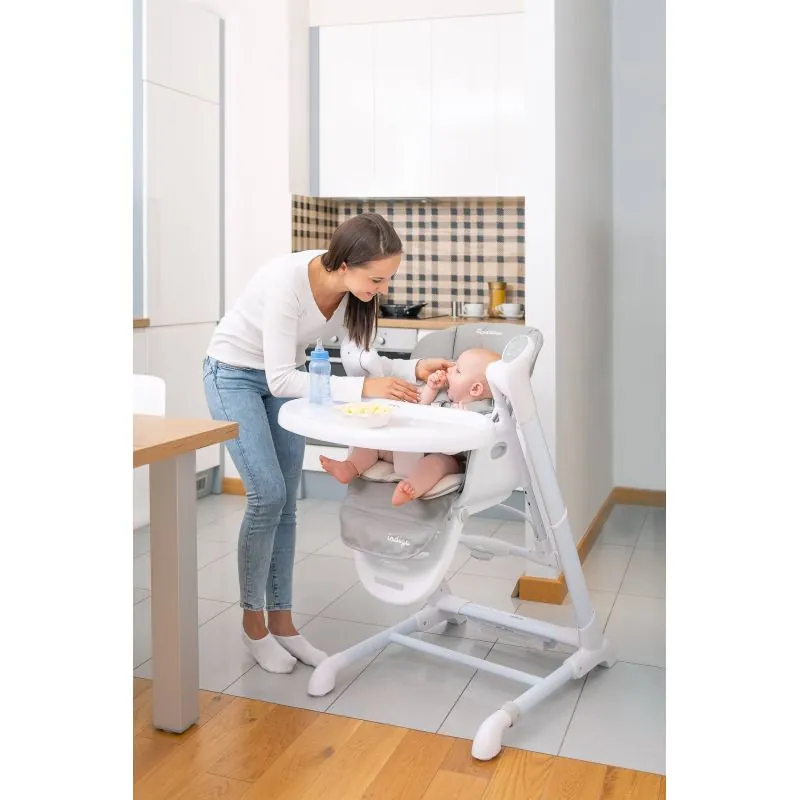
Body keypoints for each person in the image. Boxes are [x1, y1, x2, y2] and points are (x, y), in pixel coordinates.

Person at [202, 213, 453, 674]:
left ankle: (283, 625)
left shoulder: (353, 295)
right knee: (268, 496)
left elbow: (362, 363)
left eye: (388, 279)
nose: (383, 289)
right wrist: (365, 389)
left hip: (289, 377)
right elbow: (281, 380)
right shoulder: (286, 283)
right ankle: (253, 627)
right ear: (343, 265)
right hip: (233, 374)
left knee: (287, 503)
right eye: (376, 279)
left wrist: (411, 370)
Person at [320, 348, 501, 506]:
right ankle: (350, 467)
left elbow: (454, 448)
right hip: (409, 447)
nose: (450, 369)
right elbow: (418, 405)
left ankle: (412, 486)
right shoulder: (444, 393)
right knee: (373, 444)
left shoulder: (477, 414)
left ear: (475, 389)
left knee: (437, 464)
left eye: (458, 370)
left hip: (441, 455)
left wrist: (460, 424)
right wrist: (431, 388)